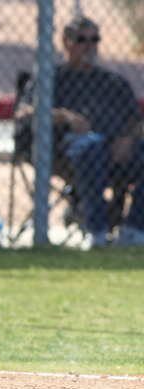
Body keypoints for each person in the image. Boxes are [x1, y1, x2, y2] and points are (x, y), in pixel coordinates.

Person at [15, 16, 144, 248]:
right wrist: (64, 116)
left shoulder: (113, 81)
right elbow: (23, 112)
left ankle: (132, 231)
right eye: (82, 39)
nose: (89, 45)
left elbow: (136, 121)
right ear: (66, 42)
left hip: (116, 151)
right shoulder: (50, 78)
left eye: (94, 39)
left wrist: (128, 139)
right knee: (91, 150)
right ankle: (96, 232)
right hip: (69, 153)